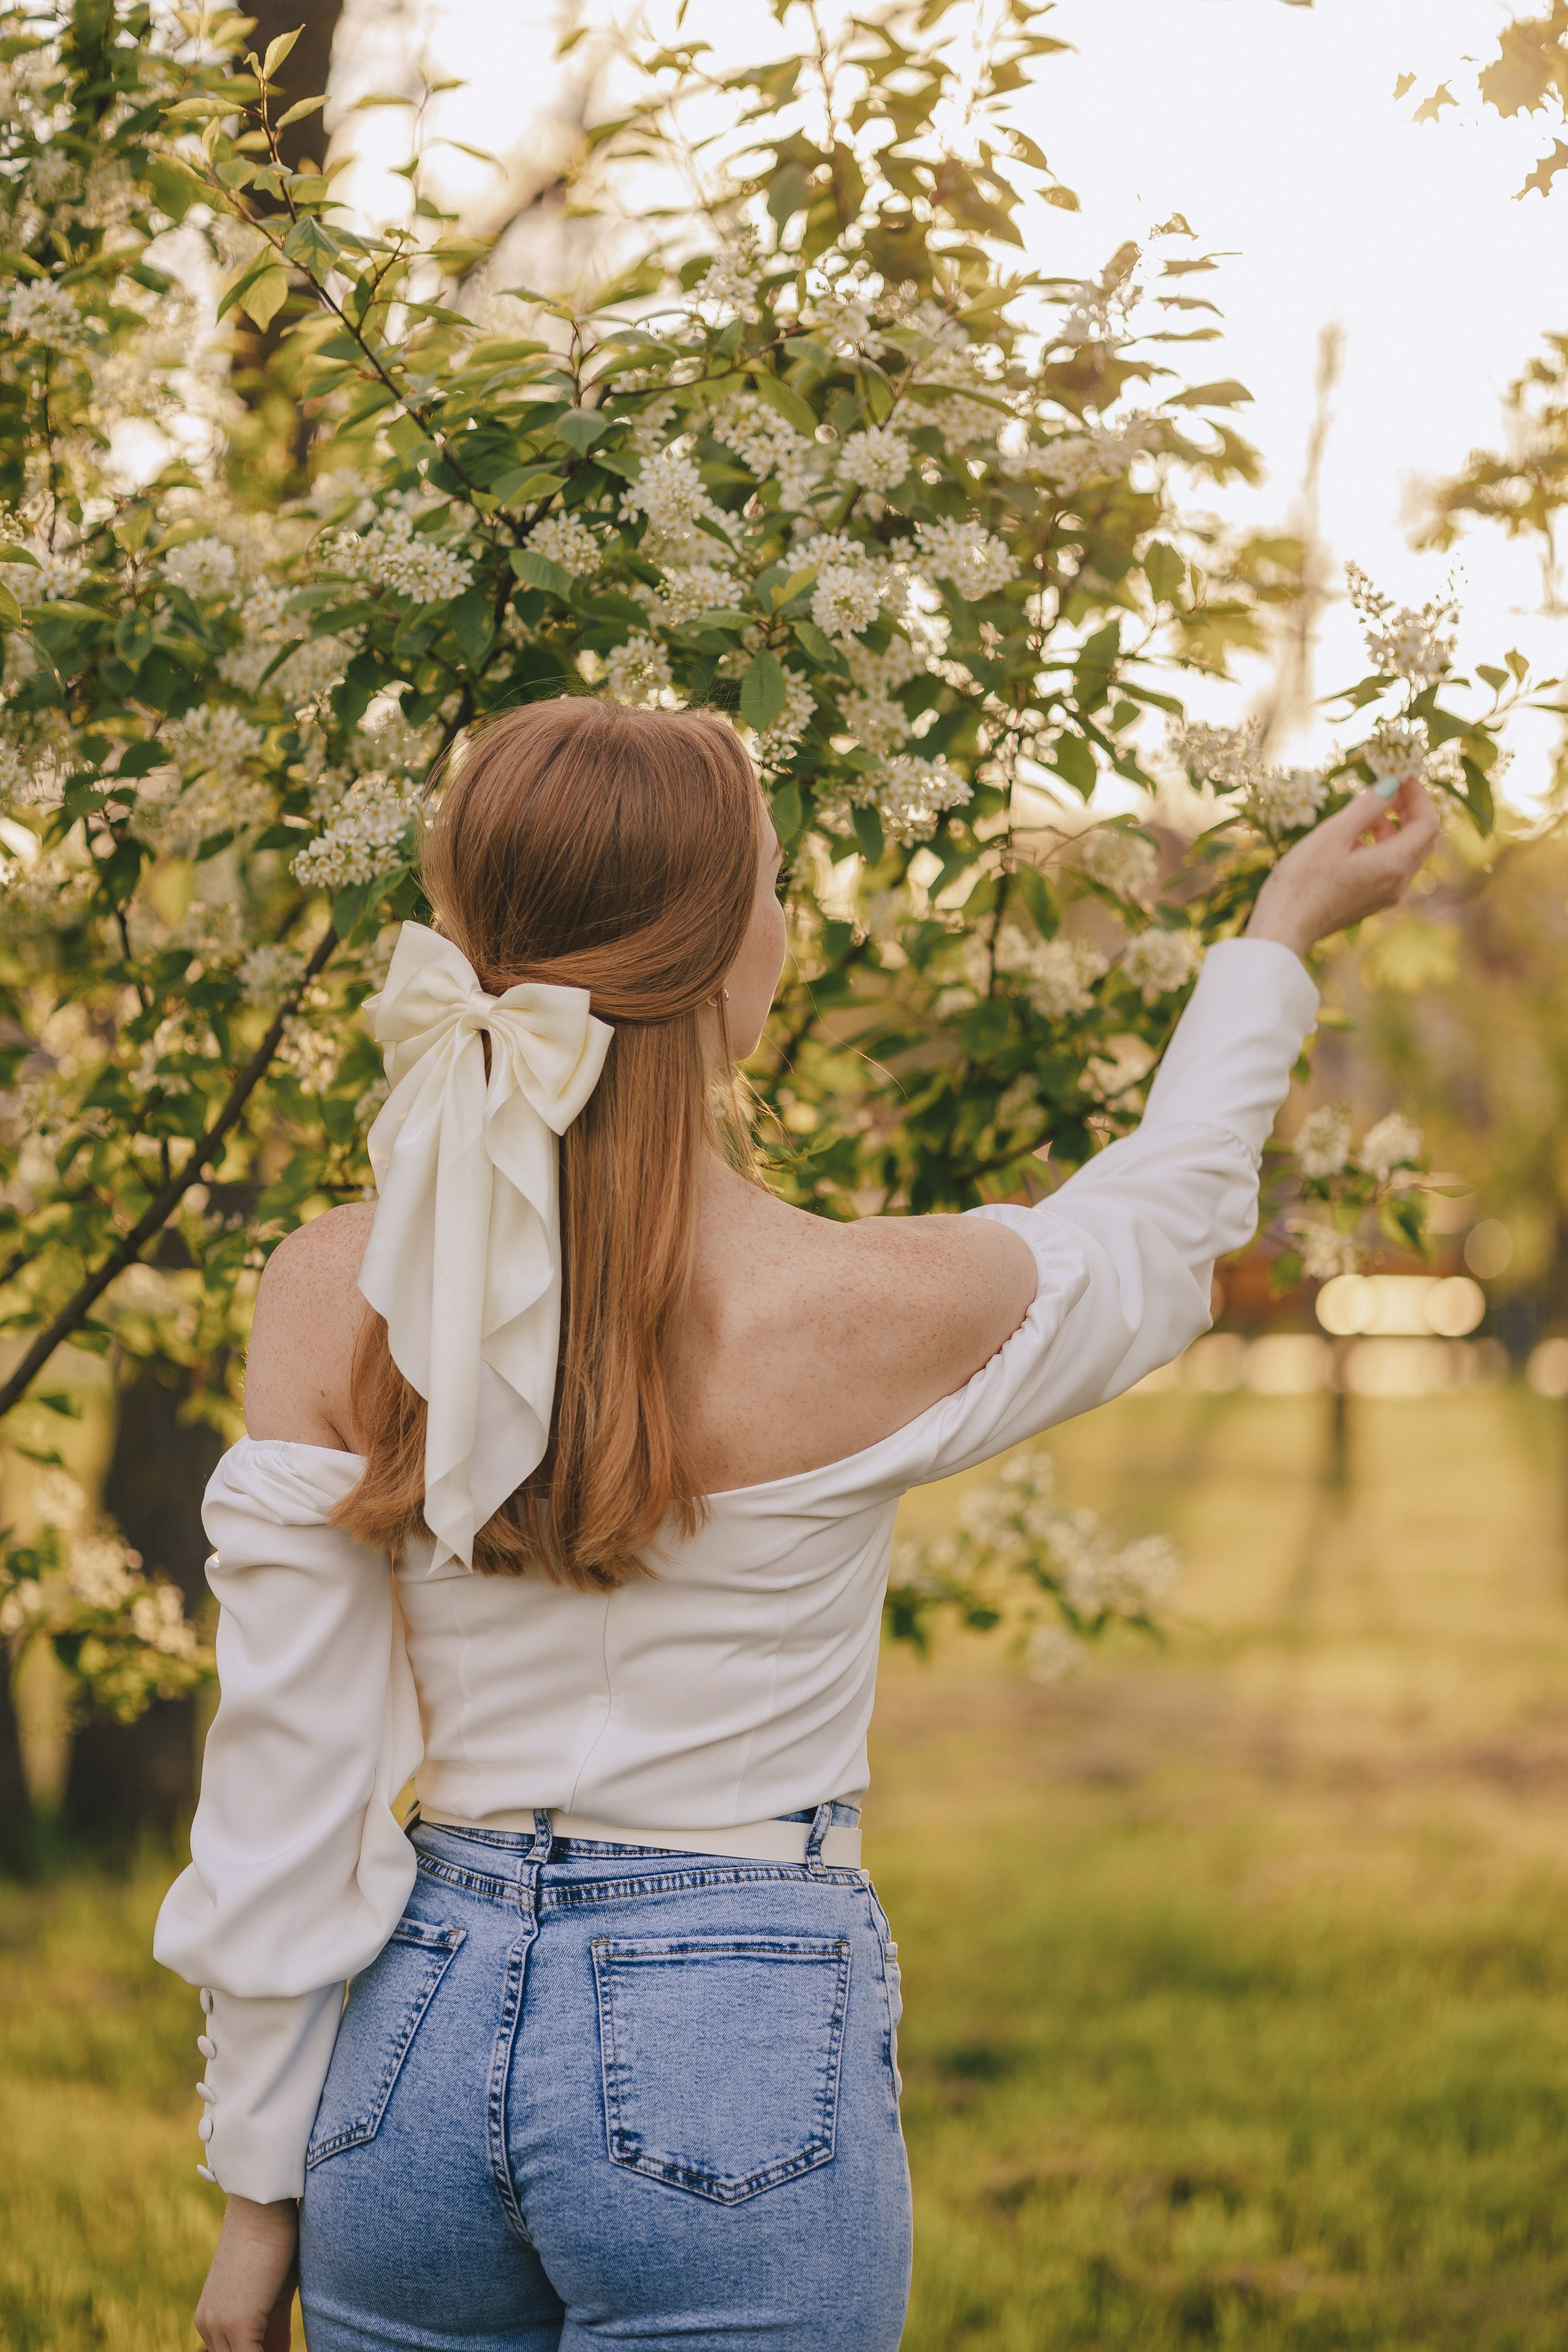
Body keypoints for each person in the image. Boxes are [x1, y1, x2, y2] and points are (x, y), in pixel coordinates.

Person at [156, 696, 1438, 2352]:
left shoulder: (333, 1291)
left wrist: (258, 2192)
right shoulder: (875, 1304)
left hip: (409, 2034)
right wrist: (1276, 937)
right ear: (725, 957)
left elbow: (286, 1772)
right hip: (733, 2029)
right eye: (772, 885)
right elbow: (1168, 1219)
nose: (786, 918)